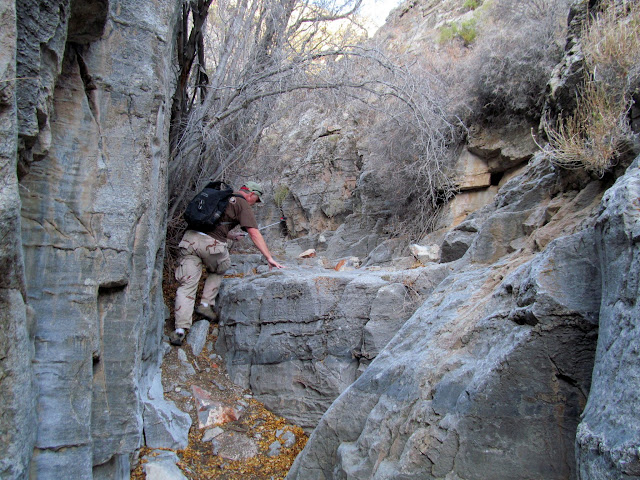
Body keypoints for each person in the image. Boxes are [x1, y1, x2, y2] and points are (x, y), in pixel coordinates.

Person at [169, 181, 284, 346]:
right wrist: (269, 257)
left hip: (189, 240)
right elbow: (254, 233)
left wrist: (230, 236)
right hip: (211, 246)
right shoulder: (242, 203)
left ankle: (179, 331)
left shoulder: (222, 196)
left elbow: (213, 223)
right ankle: (205, 304)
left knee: (186, 285)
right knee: (222, 266)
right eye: (256, 200)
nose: (255, 203)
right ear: (251, 194)